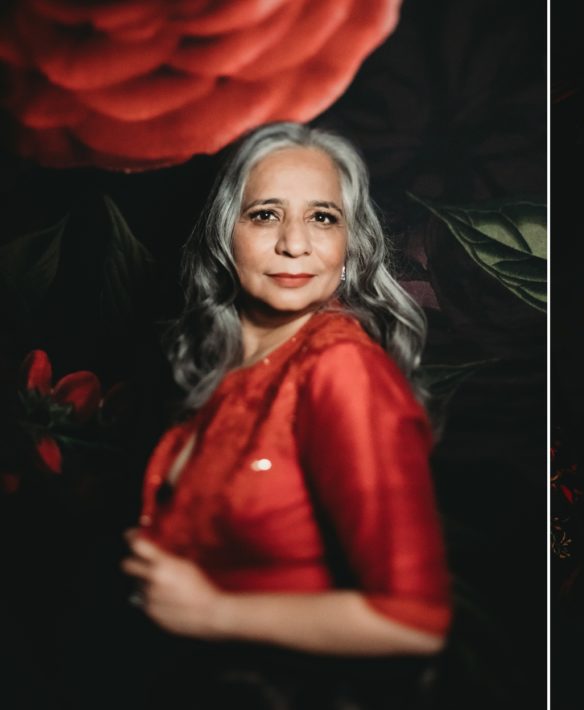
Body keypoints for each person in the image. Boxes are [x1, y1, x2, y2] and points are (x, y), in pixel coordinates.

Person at [121, 122, 450, 708]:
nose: (294, 244)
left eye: (323, 217)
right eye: (266, 214)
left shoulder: (339, 367)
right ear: (226, 234)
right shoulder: (224, 370)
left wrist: (214, 612)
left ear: (350, 244)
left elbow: (414, 620)